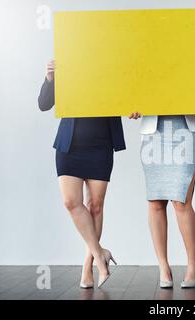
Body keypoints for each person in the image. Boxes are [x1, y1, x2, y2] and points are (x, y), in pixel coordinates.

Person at [38, 60, 126, 288]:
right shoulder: (69, 59)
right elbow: (44, 104)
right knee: (71, 202)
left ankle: (88, 267)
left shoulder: (112, 63)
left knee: (95, 205)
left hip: (101, 145)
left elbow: (125, 94)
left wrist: (131, 105)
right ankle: (100, 255)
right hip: (70, 145)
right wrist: (50, 78)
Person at [129, 111, 195, 288]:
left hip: (184, 130)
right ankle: (163, 266)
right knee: (155, 201)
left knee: (181, 202)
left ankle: (192, 264)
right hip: (153, 134)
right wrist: (133, 104)